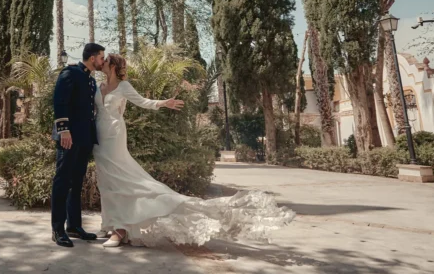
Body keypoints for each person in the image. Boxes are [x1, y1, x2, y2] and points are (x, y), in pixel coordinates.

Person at [94, 53, 295, 248]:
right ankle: (109, 223)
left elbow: (143, 102)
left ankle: (120, 229)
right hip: (97, 137)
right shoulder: (98, 86)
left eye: (106, 61)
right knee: (106, 180)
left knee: (120, 179)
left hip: (115, 136)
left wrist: (164, 103)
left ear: (113, 66)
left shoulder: (124, 86)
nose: (101, 63)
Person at [50, 42, 106, 247]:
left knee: (76, 182)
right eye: (101, 57)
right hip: (69, 136)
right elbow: (59, 101)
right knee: (62, 181)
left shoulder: (90, 81)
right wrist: (64, 130)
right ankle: (57, 229)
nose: (103, 61)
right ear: (92, 58)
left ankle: (73, 226)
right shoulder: (71, 73)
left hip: (83, 138)